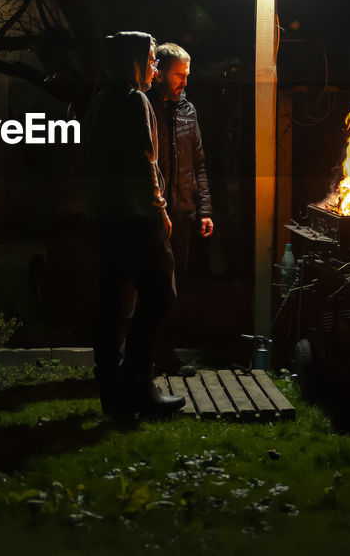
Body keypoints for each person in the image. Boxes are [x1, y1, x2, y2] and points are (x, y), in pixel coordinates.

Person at [84, 31, 186, 419]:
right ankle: (138, 385)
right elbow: (146, 161)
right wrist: (159, 208)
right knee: (161, 292)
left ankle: (113, 393)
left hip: (106, 217)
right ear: (134, 61)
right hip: (136, 217)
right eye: (150, 60)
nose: (154, 67)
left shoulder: (99, 100)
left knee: (113, 303)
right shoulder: (134, 99)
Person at [148, 42, 214, 377]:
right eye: (178, 75)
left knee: (176, 288)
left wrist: (205, 209)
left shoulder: (189, 111)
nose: (184, 82)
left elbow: (198, 164)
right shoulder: (145, 107)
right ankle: (144, 356)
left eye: (187, 75)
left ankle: (167, 355)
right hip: (153, 215)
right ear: (158, 72)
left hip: (184, 214)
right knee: (153, 287)